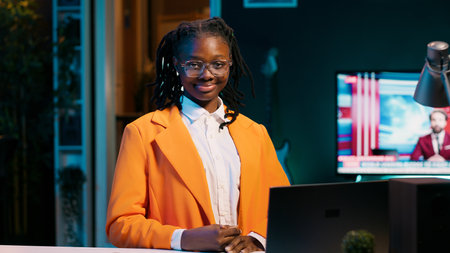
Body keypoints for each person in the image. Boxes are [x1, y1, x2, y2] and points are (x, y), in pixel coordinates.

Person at [105, 17, 290, 253]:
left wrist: (257, 239)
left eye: (218, 64)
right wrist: (183, 238)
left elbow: (283, 212)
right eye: (194, 64)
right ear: (176, 65)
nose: (207, 74)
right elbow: (120, 224)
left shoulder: (256, 133)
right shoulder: (142, 133)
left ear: (230, 64)